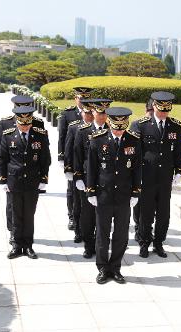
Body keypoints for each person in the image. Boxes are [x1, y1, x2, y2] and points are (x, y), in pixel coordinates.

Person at [87, 107, 142, 284]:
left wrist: (136, 192)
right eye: (115, 127)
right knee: (102, 233)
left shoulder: (133, 140)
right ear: (109, 123)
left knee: (121, 234)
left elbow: (137, 169)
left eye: (121, 127)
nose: (118, 130)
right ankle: (103, 268)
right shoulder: (98, 139)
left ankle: (116, 267)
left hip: (124, 196)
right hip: (103, 194)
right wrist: (90, 191)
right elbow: (92, 168)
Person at [130, 91, 181, 259]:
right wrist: (134, 175)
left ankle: (159, 243)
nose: (164, 114)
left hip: (164, 178)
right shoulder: (141, 125)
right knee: (145, 213)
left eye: (166, 111)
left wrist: (179, 170)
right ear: (154, 106)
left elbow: (178, 151)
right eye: (161, 110)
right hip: (146, 177)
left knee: (163, 213)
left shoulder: (175, 126)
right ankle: (144, 242)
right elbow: (134, 153)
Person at [0, 106, 51, 259]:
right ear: (17, 122)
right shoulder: (8, 135)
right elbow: (3, 159)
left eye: (28, 124)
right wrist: (3, 180)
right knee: (15, 214)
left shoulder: (39, 135)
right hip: (14, 181)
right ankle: (16, 245)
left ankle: (28, 245)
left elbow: (45, 159)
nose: (25, 127)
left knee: (29, 215)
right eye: (22, 124)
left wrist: (44, 179)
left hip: (32, 182)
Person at [73, 98, 112, 258]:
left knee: (103, 215)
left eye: (104, 113)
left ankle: (101, 244)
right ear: (93, 112)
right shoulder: (83, 131)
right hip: (88, 179)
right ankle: (89, 245)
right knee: (87, 215)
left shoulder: (113, 130)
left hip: (106, 181)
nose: (102, 116)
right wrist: (78, 177)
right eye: (99, 113)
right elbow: (77, 155)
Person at [58, 87, 93, 231]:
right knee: (72, 189)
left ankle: (87, 218)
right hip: (72, 156)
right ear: (75, 98)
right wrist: (62, 158)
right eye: (80, 98)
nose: (83, 101)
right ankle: (72, 216)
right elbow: (62, 136)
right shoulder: (68, 113)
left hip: (88, 156)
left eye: (86, 98)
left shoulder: (94, 112)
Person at [64, 101, 96, 243]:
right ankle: (78, 230)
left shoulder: (101, 128)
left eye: (91, 113)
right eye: (87, 112)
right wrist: (69, 170)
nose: (89, 115)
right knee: (78, 204)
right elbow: (70, 151)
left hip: (94, 174)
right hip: (79, 172)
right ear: (82, 112)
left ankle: (93, 233)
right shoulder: (74, 127)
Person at [130, 98, 154, 242]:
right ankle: (139, 228)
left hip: (154, 173)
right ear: (146, 110)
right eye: (150, 111)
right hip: (139, 171)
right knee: (138, 204)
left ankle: (148, 230)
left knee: (152, 205)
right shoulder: (136, 125)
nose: (151, 115)